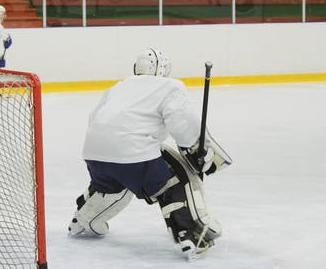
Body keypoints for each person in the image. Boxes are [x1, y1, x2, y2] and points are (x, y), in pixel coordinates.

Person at [67, 47, 232, 261]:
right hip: (133, 152)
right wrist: (197, 150)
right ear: (163, 69)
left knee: (112, 185)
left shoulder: (118, 87)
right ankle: (193, 234)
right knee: (178, 179)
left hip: (94, 153)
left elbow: (96, 118)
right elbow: (182, 122)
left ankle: (84, 220)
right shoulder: (169, 86)